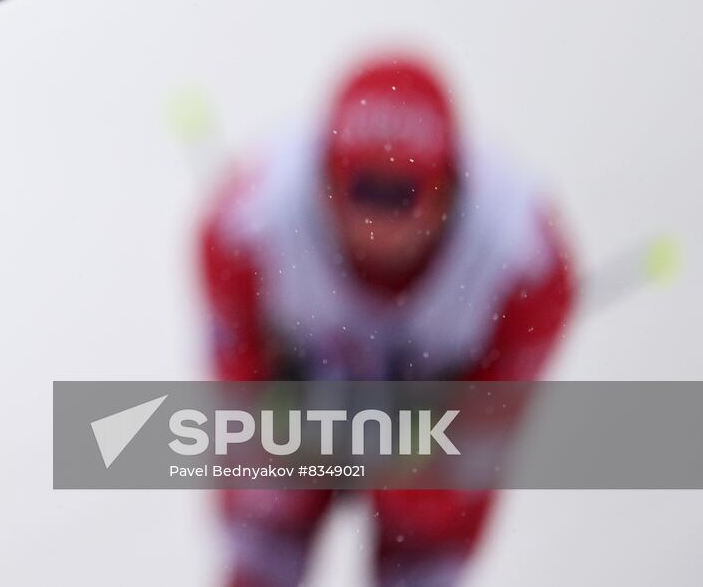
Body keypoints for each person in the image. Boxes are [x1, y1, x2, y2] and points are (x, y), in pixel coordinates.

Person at [197, 54, 574, 587]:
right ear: (326, 179)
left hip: (430, 441)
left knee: (425, 550)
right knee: (262, 542)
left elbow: (489, 428)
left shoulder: (526, 261)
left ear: (446, 191)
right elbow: (232, 384)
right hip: (293, 421)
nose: (378, 223)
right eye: (363, 191)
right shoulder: (244, 225)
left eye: (400, 197)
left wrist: (405, 474)